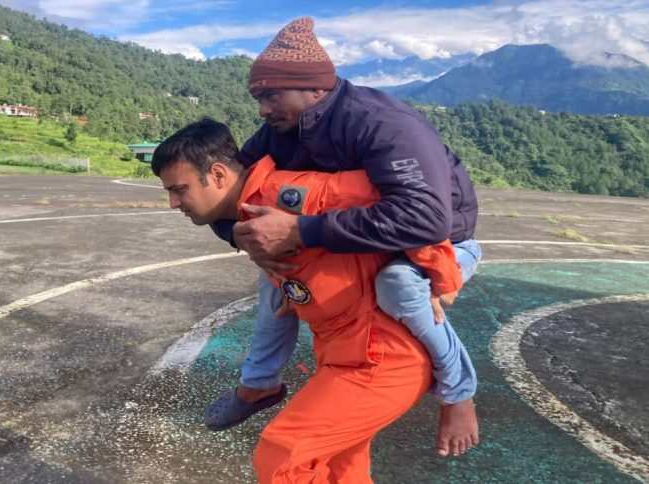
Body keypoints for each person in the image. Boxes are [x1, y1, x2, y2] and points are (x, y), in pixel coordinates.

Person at [205, 16, 482, 458]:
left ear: (312, 88)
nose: (262, 109)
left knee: (399, 286)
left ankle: (458, 391)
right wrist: (242, 237)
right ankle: (260, 385)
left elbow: (426, 219)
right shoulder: (283, 130)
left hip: (439, 246)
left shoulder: (382, 122)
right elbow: (234, 190)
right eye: (258, 97)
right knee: (276, 279)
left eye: (270, 95)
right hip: (358, 238)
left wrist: (299, 229)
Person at [150, 118, 463, 482]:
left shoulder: (291, 194)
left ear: (218, 175)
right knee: (340, 469)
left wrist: (442, 274)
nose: (174, 203)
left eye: (179, 189)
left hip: (380, 359)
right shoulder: (248, 218)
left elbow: (413, 206)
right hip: (338, 355)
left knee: (282, 456)